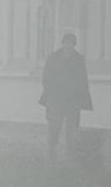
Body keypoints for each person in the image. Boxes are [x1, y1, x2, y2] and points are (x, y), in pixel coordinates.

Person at [39, 32, 92, 163]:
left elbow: (83, 79)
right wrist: (49, 92)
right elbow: (46, 76)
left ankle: (70, 152)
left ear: (74, 45)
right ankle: (52, 149)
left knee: (72, 126)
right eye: (66, 42)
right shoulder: (53, 57)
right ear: (62, 43)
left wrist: (81, 96)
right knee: (54, 125)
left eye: (71, 43)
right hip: (55, 98)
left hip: (73, 99)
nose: (68, 45)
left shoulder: (78, 59)